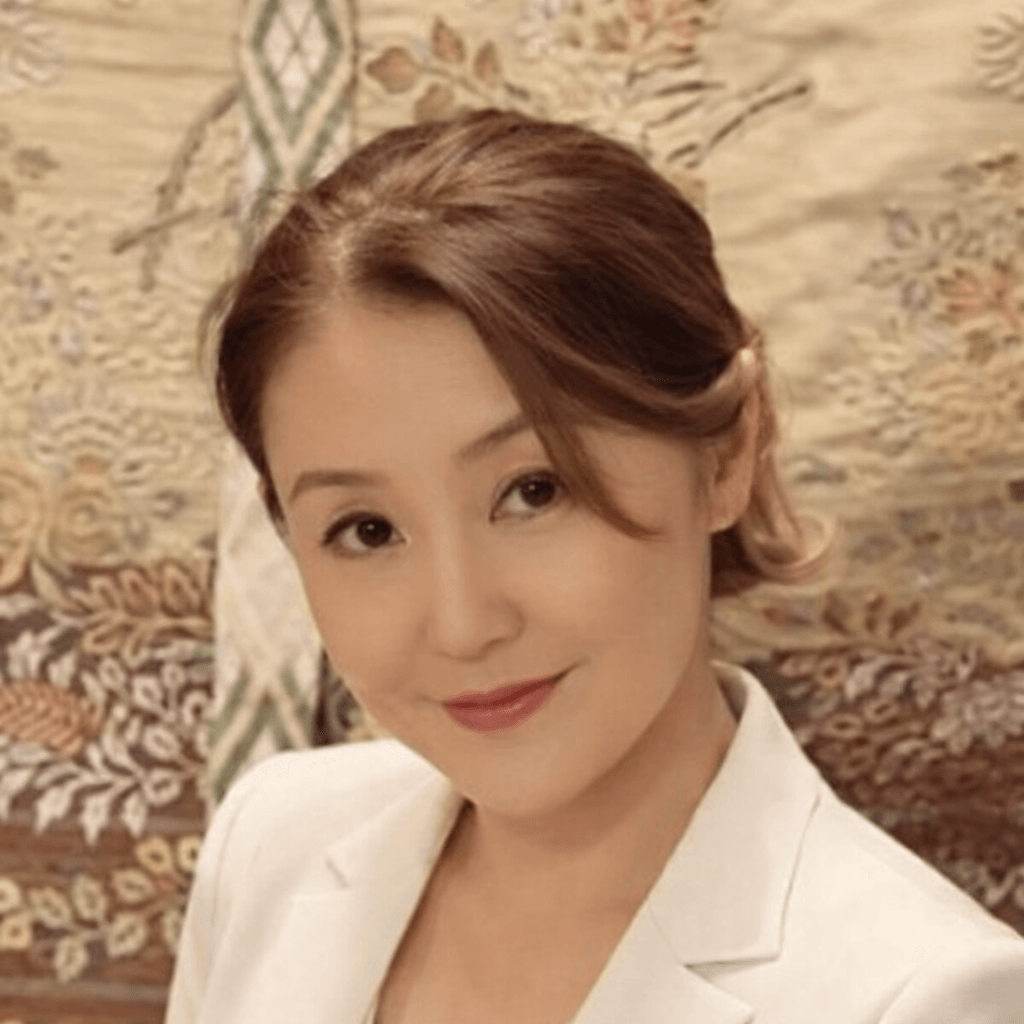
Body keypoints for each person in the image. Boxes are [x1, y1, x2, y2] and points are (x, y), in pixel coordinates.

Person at [165, 109, 1024, 1024]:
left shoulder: (925, 996)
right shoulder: (270, 844)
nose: (463, 625)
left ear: (727, 453)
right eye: (367, 531)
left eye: (534, 491)